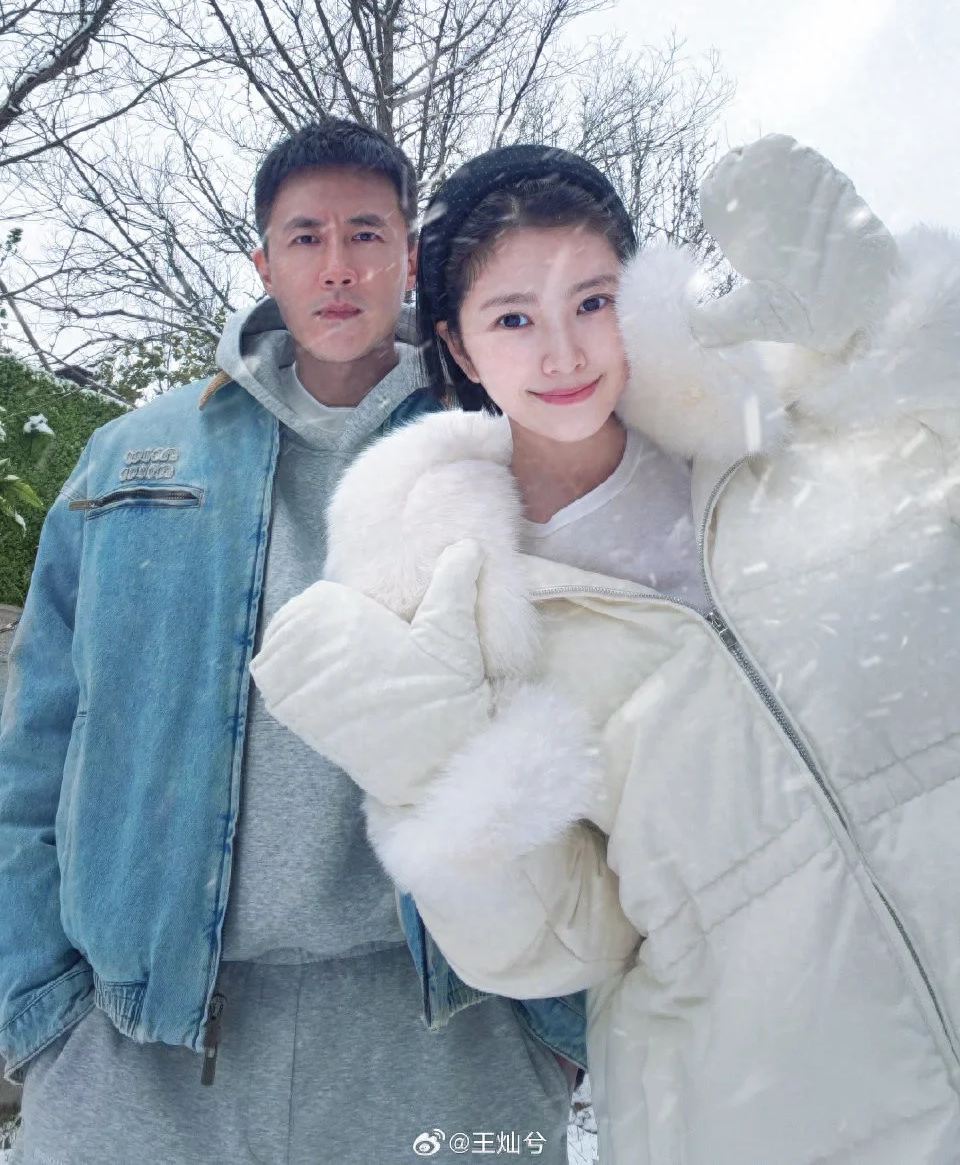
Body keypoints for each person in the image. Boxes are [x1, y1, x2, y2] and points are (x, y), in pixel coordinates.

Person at [253, 135, 960, 1165]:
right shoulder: (461, 607)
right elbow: (560, 945)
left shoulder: (790, 437)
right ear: (457, 344)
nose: (563, 354)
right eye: (512, 318)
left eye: (592, 300)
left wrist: (905, 343)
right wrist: (432, 774)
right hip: (775, 1108)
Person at [0, 118, 580, 1165]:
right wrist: (38, 1008)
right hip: (138, 1048)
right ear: (264, 263)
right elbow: (37, 747)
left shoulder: (509, 448)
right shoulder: (131, 458)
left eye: (367, 233)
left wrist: (560, 1026)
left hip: (453, 1033)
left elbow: (602, 708)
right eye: (306, 236)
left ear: (410, 257)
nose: (337, 265)